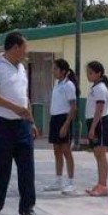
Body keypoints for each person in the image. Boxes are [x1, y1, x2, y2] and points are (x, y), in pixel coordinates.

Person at [0, 31, 39, 215]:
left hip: (22, 125)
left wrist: (31, 121)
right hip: (2, 124)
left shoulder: (22, 68)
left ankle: (27, 206)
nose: (26, 52)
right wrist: (14, 108)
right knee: (1, 167)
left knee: (27, 168)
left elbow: (25, 97)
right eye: (25, 48)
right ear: (15, 47)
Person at [43, 59, 78, 194]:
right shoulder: (57, 85)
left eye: (56, 69)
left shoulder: (69, 85)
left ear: (63, 71)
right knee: (56, 151)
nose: (53, 71)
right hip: (55, 119)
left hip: (64, 119)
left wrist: (65, 125)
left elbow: (73, 107)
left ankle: (70, 182)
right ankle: (58, 181)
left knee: (66, 151)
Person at [83, 60, 108, 197]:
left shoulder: (100, 88)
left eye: (90, 72)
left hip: (99, 123)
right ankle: (100, 183)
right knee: (97, 155)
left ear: (98, 73)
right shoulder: (95, 87)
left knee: (101, 155)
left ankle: (103, 185)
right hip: (94, 123)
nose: (88, 75)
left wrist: (93, 128)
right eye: (87, 72)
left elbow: (99, 109)